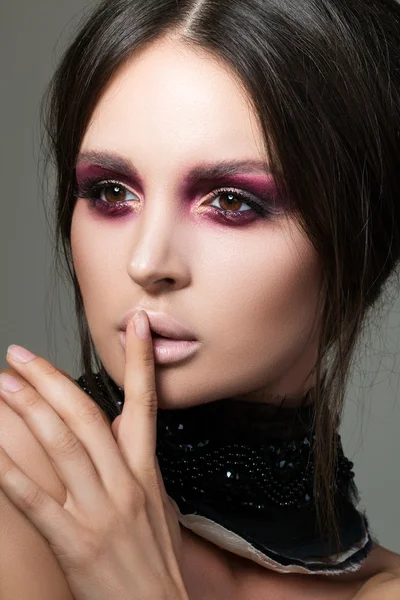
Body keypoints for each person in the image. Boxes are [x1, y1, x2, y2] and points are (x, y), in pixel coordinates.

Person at [0, 0, 400, 598]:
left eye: (233, 201)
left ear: (363, 239)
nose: (147, 262)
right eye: (111, 191)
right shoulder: (17, 483)